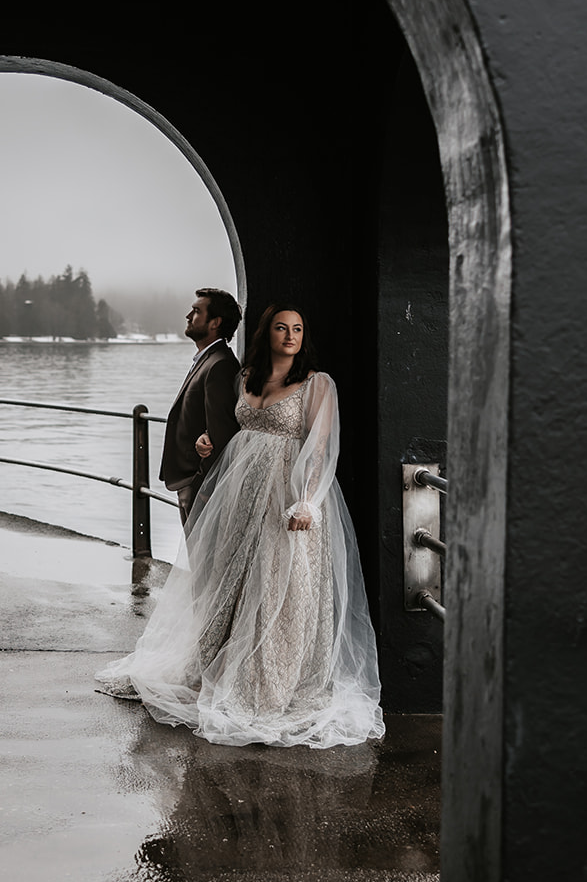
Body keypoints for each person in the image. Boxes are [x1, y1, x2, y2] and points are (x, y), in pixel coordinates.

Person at [96, 303, 383, 749]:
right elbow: (239, 433)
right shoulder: (247, 377)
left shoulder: (317, 385)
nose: (290, 336)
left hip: (285, 499)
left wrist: (308, 500)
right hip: (240, 495)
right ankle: (214, 668)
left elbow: (321, 447)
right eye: (281, 328)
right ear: (265, 333)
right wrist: (210, 443)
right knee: (234, 583)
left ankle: (269, 686)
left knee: (277, 587)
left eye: (298, 329)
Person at [159, 288, 242, 525]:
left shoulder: (220, 365)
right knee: (196, 559)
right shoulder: (208, 359)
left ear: (215, 322)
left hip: (200, 488)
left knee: (204, 561)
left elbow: (222, 432)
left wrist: (202, 486)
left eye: (196, 311)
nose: (188, 316)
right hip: (191, 485)